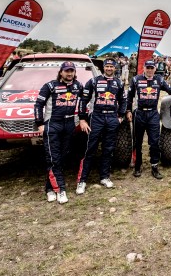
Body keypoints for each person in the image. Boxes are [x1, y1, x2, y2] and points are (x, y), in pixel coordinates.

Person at [126, 59, 171, 179]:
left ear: (154, 69)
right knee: (137, 142)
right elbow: (129, 97)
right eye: (147, 68)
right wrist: (128, 111)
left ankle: (154, 166)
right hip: (139, 114)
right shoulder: (135, 79)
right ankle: (137, 166)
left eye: (151, 68)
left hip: (153, 114)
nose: (149, 70)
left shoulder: (159, 79)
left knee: (154, 142)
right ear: (144, 68)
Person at [34, 61, 83, 204]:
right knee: (53, 158)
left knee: (61, 158)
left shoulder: (78, 86)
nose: (69, 73)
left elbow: (85, 101)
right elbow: (38, 105)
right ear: (61, 72)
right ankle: (61, 190)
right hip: (53, 124)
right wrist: (40, 124)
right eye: (66, 71)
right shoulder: (50, 86)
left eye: (71, 71)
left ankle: (49, 189)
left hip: (69, 125)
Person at [76, 59, 127, 194]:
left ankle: (104, 176)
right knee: (90, 148)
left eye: (111, 66)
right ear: (103, 68)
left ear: (115, 68)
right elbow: (83, 100)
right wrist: (82, 119)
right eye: (107, 66)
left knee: (108, 148)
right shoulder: (94, 81)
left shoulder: (119, 82)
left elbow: (123, 100)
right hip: (96, 116)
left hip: (112, 117)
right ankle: (82, 180)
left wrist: (120, 116)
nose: (109, 68)